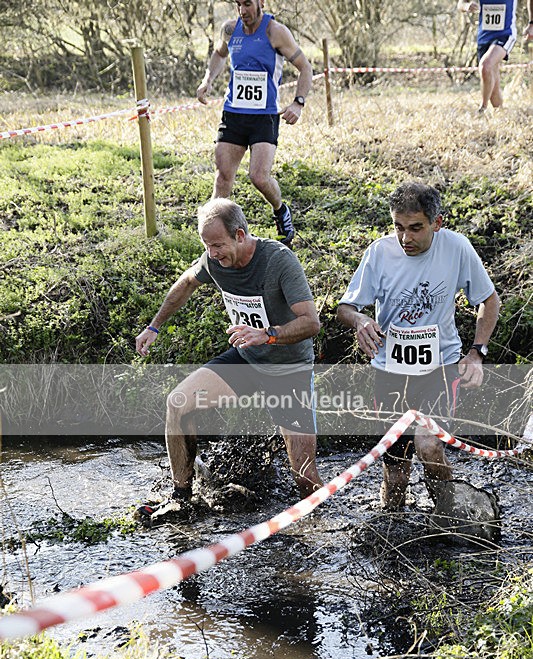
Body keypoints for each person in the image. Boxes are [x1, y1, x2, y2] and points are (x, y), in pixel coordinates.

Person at [135, 198, 322, 521]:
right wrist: (155, 325)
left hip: (287, 368)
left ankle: (322, 534)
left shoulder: (279, 261)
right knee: (178, 402)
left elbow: (311, 323)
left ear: (239, 235)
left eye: (218, 245)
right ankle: (182, 495)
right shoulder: (214, 261)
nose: (212, 254)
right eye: (207, 246)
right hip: (246, 360)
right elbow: (186, 282)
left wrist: (268, 334)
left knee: (304, 477)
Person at [336, 182, 500, 511]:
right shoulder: (379, 253)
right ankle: (392, 527)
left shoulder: (457, 248)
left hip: (439, 367)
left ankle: (449, 514)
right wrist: (360, 321)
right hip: (390, 371)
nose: (405, 238)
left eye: (415, 228)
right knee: (395, 472)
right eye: (398, 227)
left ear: (436, 223)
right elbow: (345, 308)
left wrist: (477, 353)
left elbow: (489, 300)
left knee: (427, 444)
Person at [196, 0, 313, 246]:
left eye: (248, 4)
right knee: (223, 177)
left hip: (264, 116)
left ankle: (281, 211)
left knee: (259, 177)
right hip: (234, 114)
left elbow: (305, 67)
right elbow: (219, 54)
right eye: (239, 4)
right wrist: (208, 80)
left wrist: (298, 103)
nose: (243, 11)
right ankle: (212, 239)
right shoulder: (230, 29)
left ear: (261, 3)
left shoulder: (275, 31)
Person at [457, 0, 533, 112]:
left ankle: (482, 109)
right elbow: (460, 4)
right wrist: (467, 6)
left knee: (485, 65)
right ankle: (500, 115)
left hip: (505, 34)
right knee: (493, 88)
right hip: (484, 37)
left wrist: (531, 23)